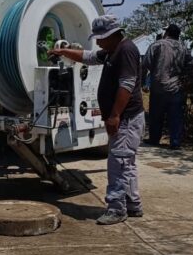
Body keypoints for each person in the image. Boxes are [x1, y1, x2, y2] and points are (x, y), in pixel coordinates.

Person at [48, 15, 144, 225]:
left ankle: (117, 209)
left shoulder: (126, 50)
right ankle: (132, 204)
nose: (98, 42)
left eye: (101, 38)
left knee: (118, 163)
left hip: (126, 118)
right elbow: (89, 56)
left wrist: (115, 115)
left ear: (112, 35)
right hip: (125, 118)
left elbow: (127, 85)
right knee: (126, 162)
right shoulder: (112, 51)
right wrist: (63, 51)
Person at [142, 23, 193, 149]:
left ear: (167, 33)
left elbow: (146, 63)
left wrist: (146, 80)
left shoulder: (157, 44)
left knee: (155, 115)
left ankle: (154, 139)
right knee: (175, 116)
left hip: (158, 86)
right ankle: (175, 142)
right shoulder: (184, 48)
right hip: (176, 87)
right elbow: (191, 66)